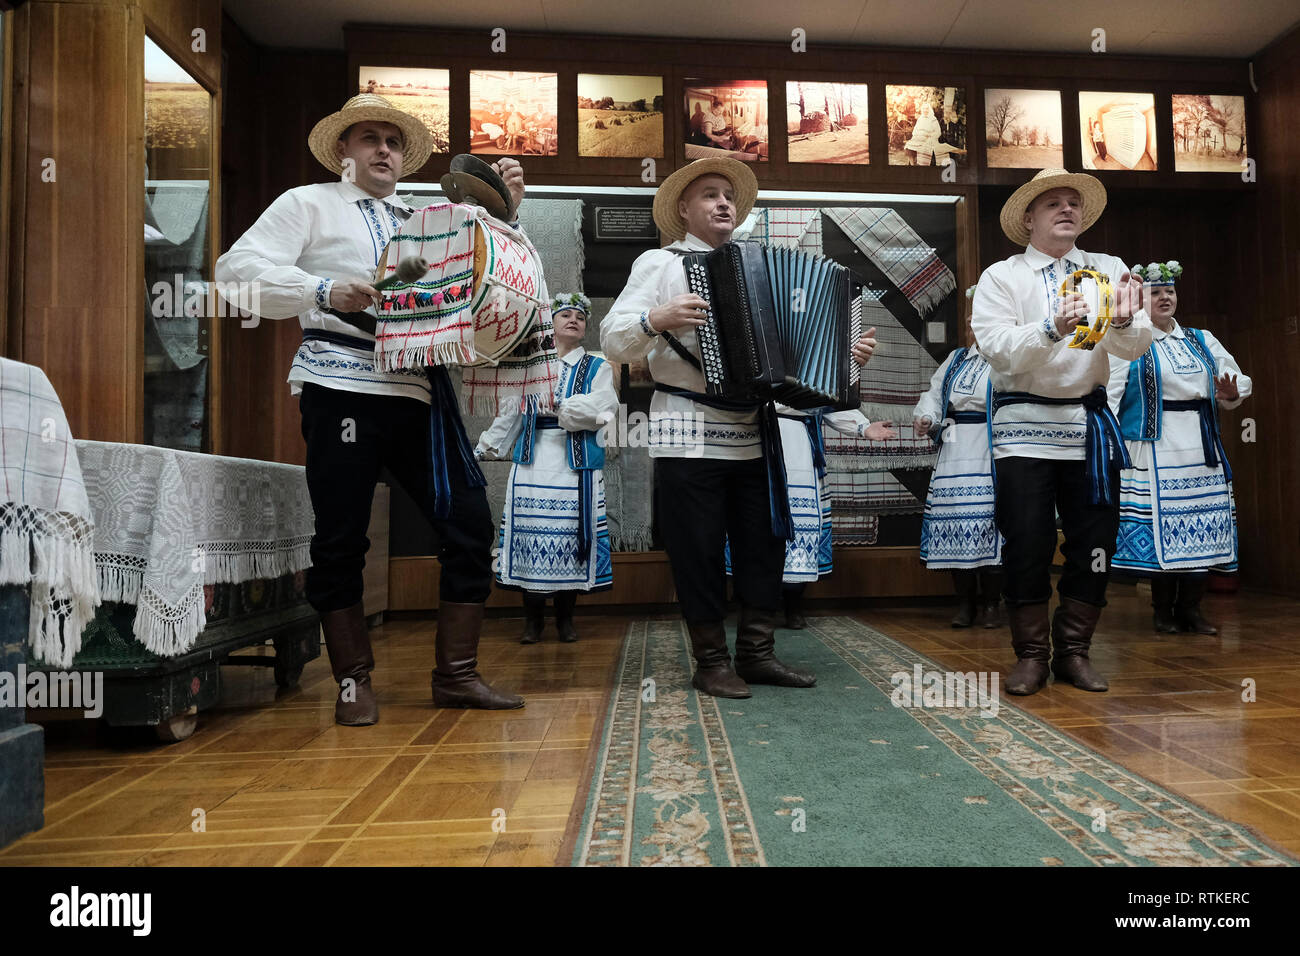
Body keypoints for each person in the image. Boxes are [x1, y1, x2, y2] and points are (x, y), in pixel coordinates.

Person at [215, 94, 525, 725]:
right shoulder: (307, 203)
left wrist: (502, 217)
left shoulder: (424, 217)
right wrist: (323, 290)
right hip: (341, 388)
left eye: (393, 141)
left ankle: (456, 675)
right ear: (343, 152)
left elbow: (480, 286)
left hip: (419, 393)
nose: (384, 150)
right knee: (341, 537)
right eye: (370, 139)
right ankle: (352, 680)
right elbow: (234, 272)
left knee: (469, 524)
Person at [602, 158, 878, 698]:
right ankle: (711, 661)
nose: (723, 203)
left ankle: (756, 654)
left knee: (763, 546)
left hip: (756, 431)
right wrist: (655, 320)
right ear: (684, 209)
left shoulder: (760, 269)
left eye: (729, 195)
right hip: (685, 427)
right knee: (698, 549)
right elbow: (613, 339)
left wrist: (845, 361)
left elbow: (796, 363)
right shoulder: (660, 264)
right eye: (709, 194)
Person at [972, 168, 1152, 696]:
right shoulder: (1002, 277)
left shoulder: (1108, 267)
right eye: (1053, 203)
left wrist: (1120, 323)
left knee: (1094, 543)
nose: (1067, 209)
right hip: (1023, 429)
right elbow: (998, 347)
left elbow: (1133, 348)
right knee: (1026, 541)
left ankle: (1074, 652)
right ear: (1029, 218)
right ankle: (1031, 655)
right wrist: (1053, 326)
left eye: (1073, 202)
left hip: (1089, 428)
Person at [1108, 260, 1250, 635]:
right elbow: (1112, 393)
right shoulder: (1133, 341)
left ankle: (1192, 609)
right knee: (1163, 526)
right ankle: (1162, 611)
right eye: (1156, 293)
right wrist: (1109, 439)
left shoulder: (1201, 339)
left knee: (1201, 526)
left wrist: (1232, 393)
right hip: (1154, 445)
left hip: (1201, 446)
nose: (1165, 298)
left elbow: (1235, 377)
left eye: (1169, 291)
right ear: (1141, 299)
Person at [476, 293, 618, 643]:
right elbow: (510, 411)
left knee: (570, 536)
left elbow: (605, 408)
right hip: (533, 461)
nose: (573, 320)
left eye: (580, 317)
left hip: (575, 465)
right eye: (564, 314)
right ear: (550, 323)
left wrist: (562, 407)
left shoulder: (598, 368)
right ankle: (532, 621)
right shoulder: (530, 365)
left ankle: (566, 620)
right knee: (533, 535)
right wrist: (483, 448)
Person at [914, 288, 1002, 628]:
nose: (973, 328)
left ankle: (993, 604)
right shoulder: (956, 360)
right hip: (954, 449)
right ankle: (964, 604)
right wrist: (926, 418)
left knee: (988, 526)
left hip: (991, 447)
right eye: (970, 322)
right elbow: (934, 395)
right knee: (954, 525)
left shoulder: (1006, 361)